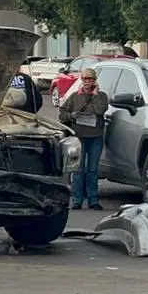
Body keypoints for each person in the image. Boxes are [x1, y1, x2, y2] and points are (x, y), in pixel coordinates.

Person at [58, 67, 107, 211]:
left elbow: (100, 110)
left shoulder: (102, 96)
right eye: (85, 79)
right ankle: (77, 200)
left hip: (95, 137)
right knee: (78, 170)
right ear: (81, 79)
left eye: (90, 79)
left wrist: (95, 95)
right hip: (79, 136)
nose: (87, 82)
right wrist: (71, 116)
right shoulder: (74, 96)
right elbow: (62, 114)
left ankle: (93, 200)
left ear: (94, 81)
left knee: (92, 170)